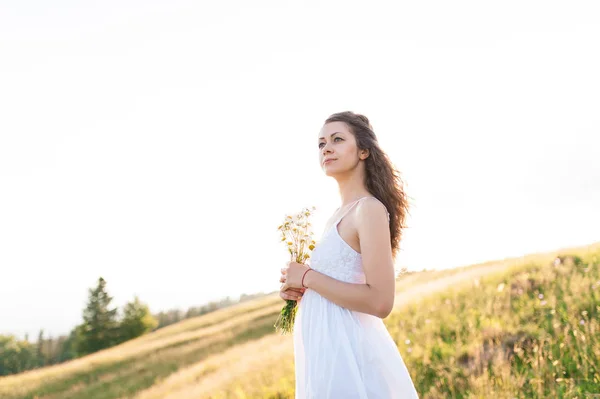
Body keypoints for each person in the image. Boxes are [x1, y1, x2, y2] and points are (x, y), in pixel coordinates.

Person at [279, 111, 419, 398]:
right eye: (321, 144)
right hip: (326, 353)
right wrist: (302, 288)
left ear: (364, 150)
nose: (326, 148)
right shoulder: (336, 216)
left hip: (350, 355)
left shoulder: (367, 209)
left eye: (337, 139)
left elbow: (381, 301)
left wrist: (307, 276)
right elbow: (338, 286)